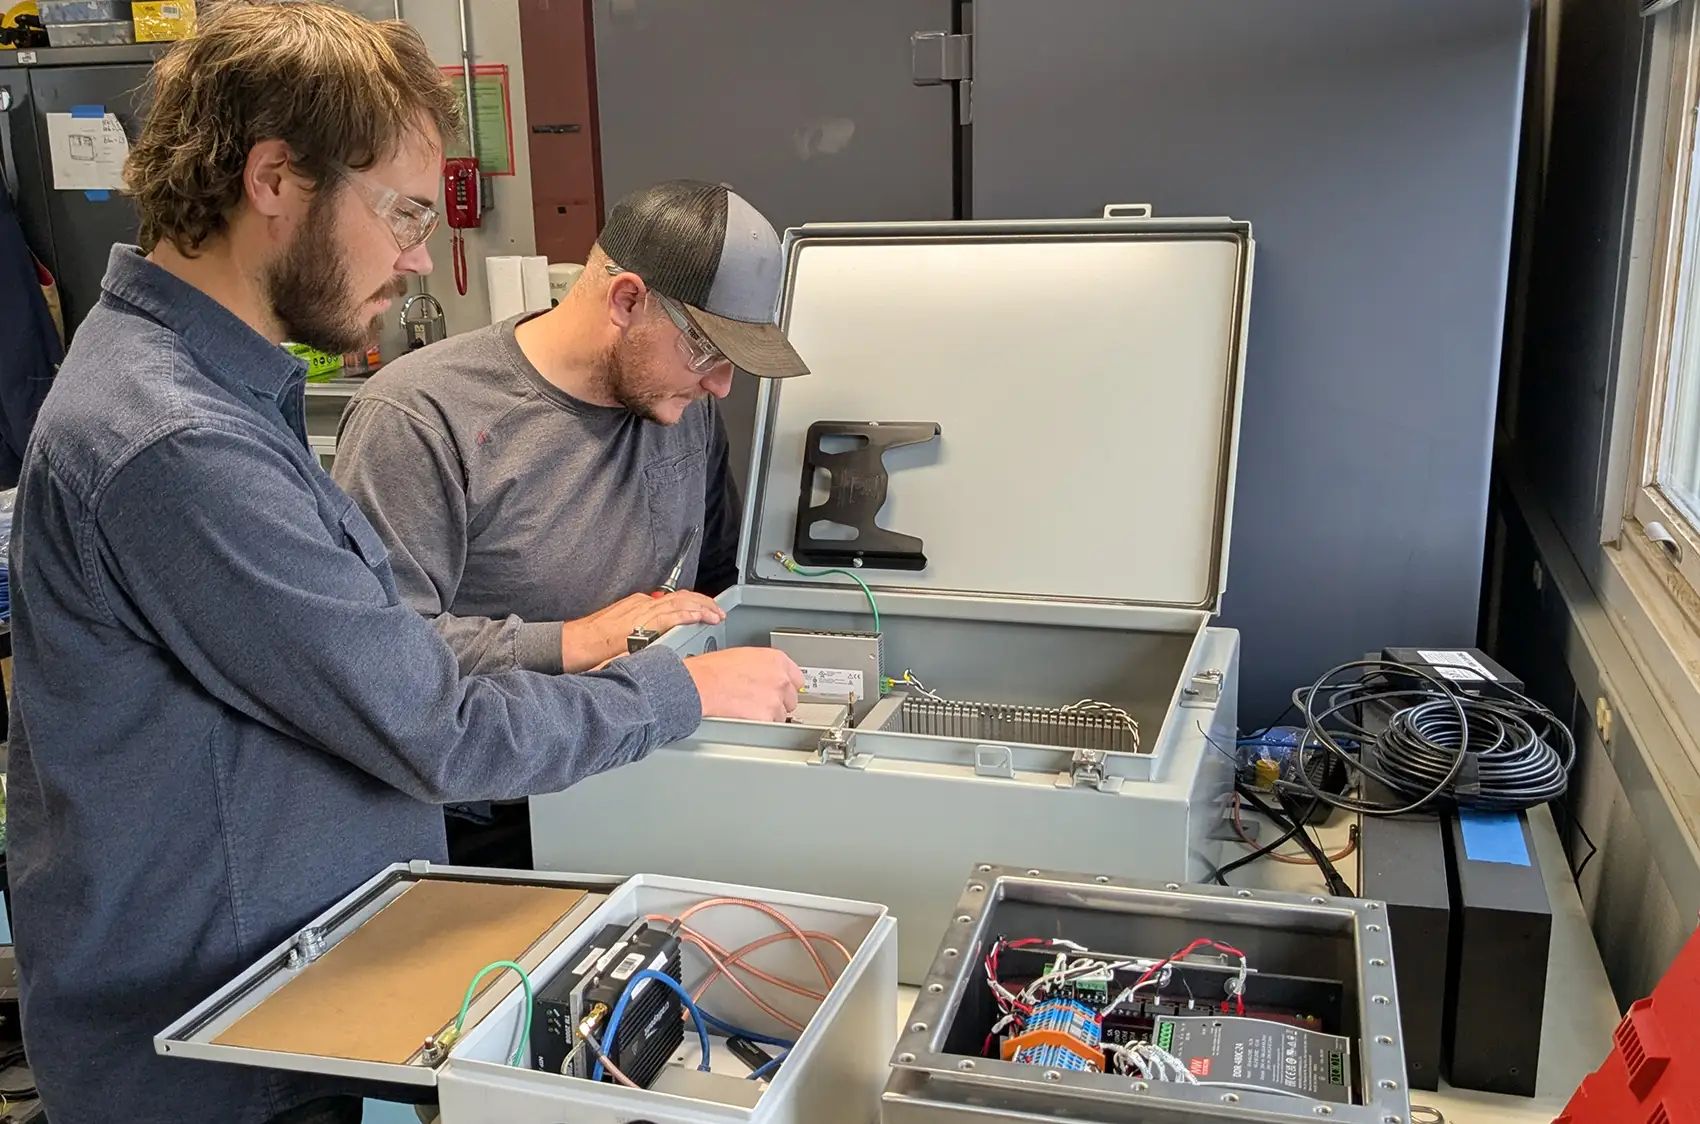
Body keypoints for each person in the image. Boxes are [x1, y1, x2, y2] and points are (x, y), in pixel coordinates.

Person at [3, 7, 801, 1124]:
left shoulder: (211, 387)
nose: (422, 255)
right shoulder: (175, 440)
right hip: (214, 1046)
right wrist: (678, 691)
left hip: (294, 988)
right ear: (274, 179)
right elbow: (436, 728)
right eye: (406, 212)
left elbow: (372, 665)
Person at [331, 180, 811, 864]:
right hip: (494, 817)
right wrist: (574, 641)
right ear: (627, 300)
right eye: (707, 351)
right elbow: (381, 667)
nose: (720, 386)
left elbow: (714, 579)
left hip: (652, 767)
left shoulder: (683, 406)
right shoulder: (420, 418)